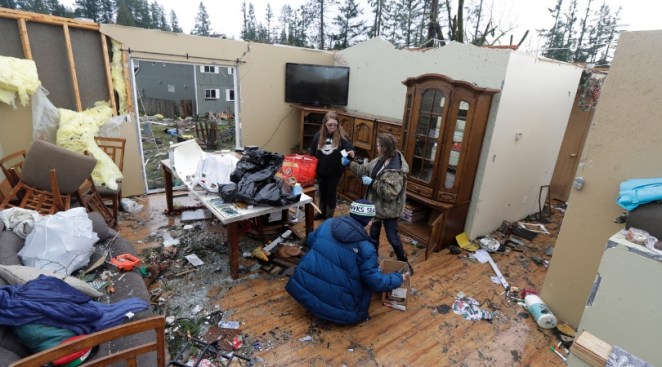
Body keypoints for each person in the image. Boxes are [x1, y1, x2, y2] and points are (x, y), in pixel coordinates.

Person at [285, 199, 407, 325]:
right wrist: (398, 278)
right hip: (339, 309)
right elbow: (375, 282)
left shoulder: (329, 223)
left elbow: (311, 240)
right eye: (371, 219)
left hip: (302, 289)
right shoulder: (365, 247)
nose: (371, 223)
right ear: (367, 221)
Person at [342, 133, 413, 274]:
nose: (377, 147)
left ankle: (404, 262)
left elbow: (390, 193)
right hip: (374, 207)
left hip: (389, 210)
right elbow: (364, 170)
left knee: (392, 238)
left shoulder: (396, 169)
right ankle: (372, 262)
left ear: (385, 148)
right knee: (373, 237)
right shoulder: (380, 160)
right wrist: (350, 163)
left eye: (379, 145)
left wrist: (372, 182)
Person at [309, 111, 354, 220]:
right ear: (325, 124)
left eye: (335, 125)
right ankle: (321, 212)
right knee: (322, 192)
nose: (332, 127)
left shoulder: (342, 137)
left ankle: (329, 215)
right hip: (321, 171)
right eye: (330, 125)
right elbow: (312, 153)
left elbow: (348, 148)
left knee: (331, 192)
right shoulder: (318, 136)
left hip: (334, 172)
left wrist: (350, 152)